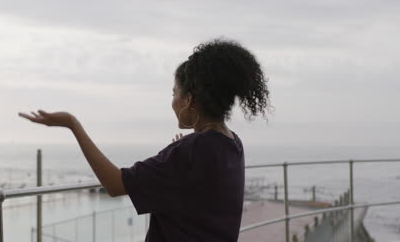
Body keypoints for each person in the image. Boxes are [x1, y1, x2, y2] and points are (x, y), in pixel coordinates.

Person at [19, 38, 271, 242]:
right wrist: (182, 149)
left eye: (175, 93)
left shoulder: (192, 150)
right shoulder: (232, 144)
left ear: (189, 100)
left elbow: (115, 185)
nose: (172, 102)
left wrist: (73, 125)